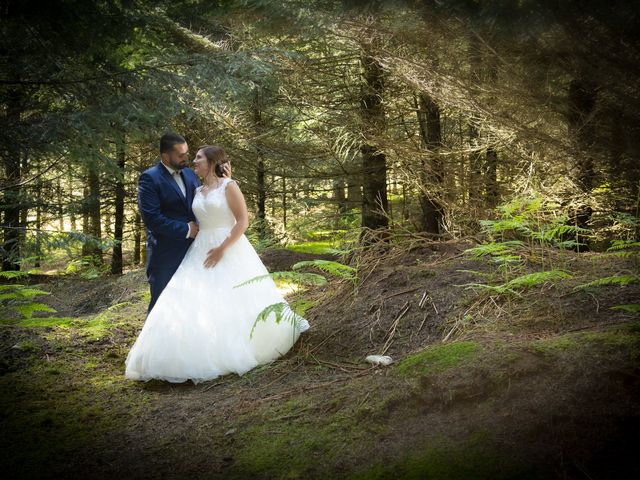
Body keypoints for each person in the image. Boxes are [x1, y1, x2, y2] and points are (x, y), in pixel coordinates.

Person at [125, 143, 309, 384]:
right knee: (195, 299)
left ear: (212, 162)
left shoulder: (229, 186)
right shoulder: (197, 189)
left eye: (199, 158)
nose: (193, 162)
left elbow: (242, 222)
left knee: (235, 295)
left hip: (229, 247)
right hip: (200, 248)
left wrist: (222, 249)